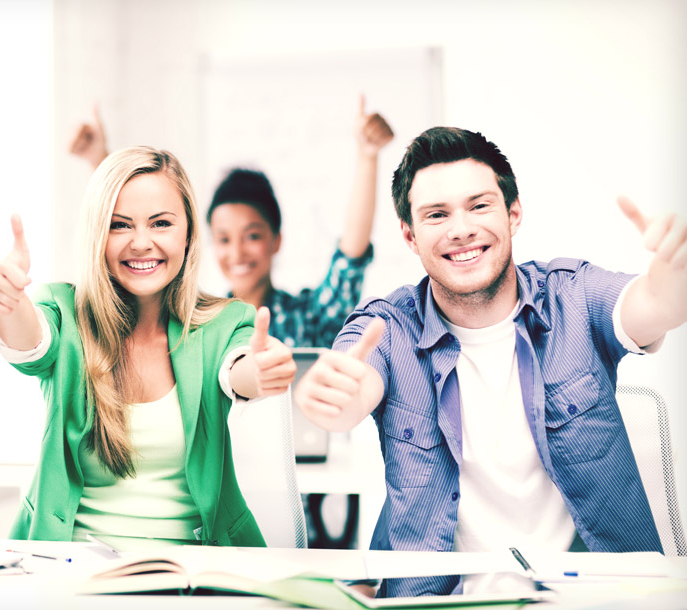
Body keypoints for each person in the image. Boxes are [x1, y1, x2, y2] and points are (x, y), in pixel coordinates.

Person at [294, 126, 687, 597]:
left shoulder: (574, 296)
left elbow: (656, 303)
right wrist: (336, 400)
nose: (461, 229)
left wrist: (675, 275)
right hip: (440, 602)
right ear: (410, 236)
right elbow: (353, 384)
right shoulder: (388, 327)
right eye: (436, 214)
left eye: (479, 205)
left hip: (591, 598)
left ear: (513, 213)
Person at [0, 146, 295, 548]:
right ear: (98, 234)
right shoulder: (64, 311)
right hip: (70, 569)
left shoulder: (224, 323)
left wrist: (263, 371)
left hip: (190, 576)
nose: (141, 243)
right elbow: (31, 343)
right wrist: (10, 303)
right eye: (120, 225)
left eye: (161, 223)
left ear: (188, 234)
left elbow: (239, 369)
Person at [69, 96, 394, 348]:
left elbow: (350, 258)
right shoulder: (196, 323)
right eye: (224, 239)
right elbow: (134, 254)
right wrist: (100, 160)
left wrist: (368, 156)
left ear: (276, 240)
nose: (237, 252)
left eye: (252, 235)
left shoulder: (308, 318)